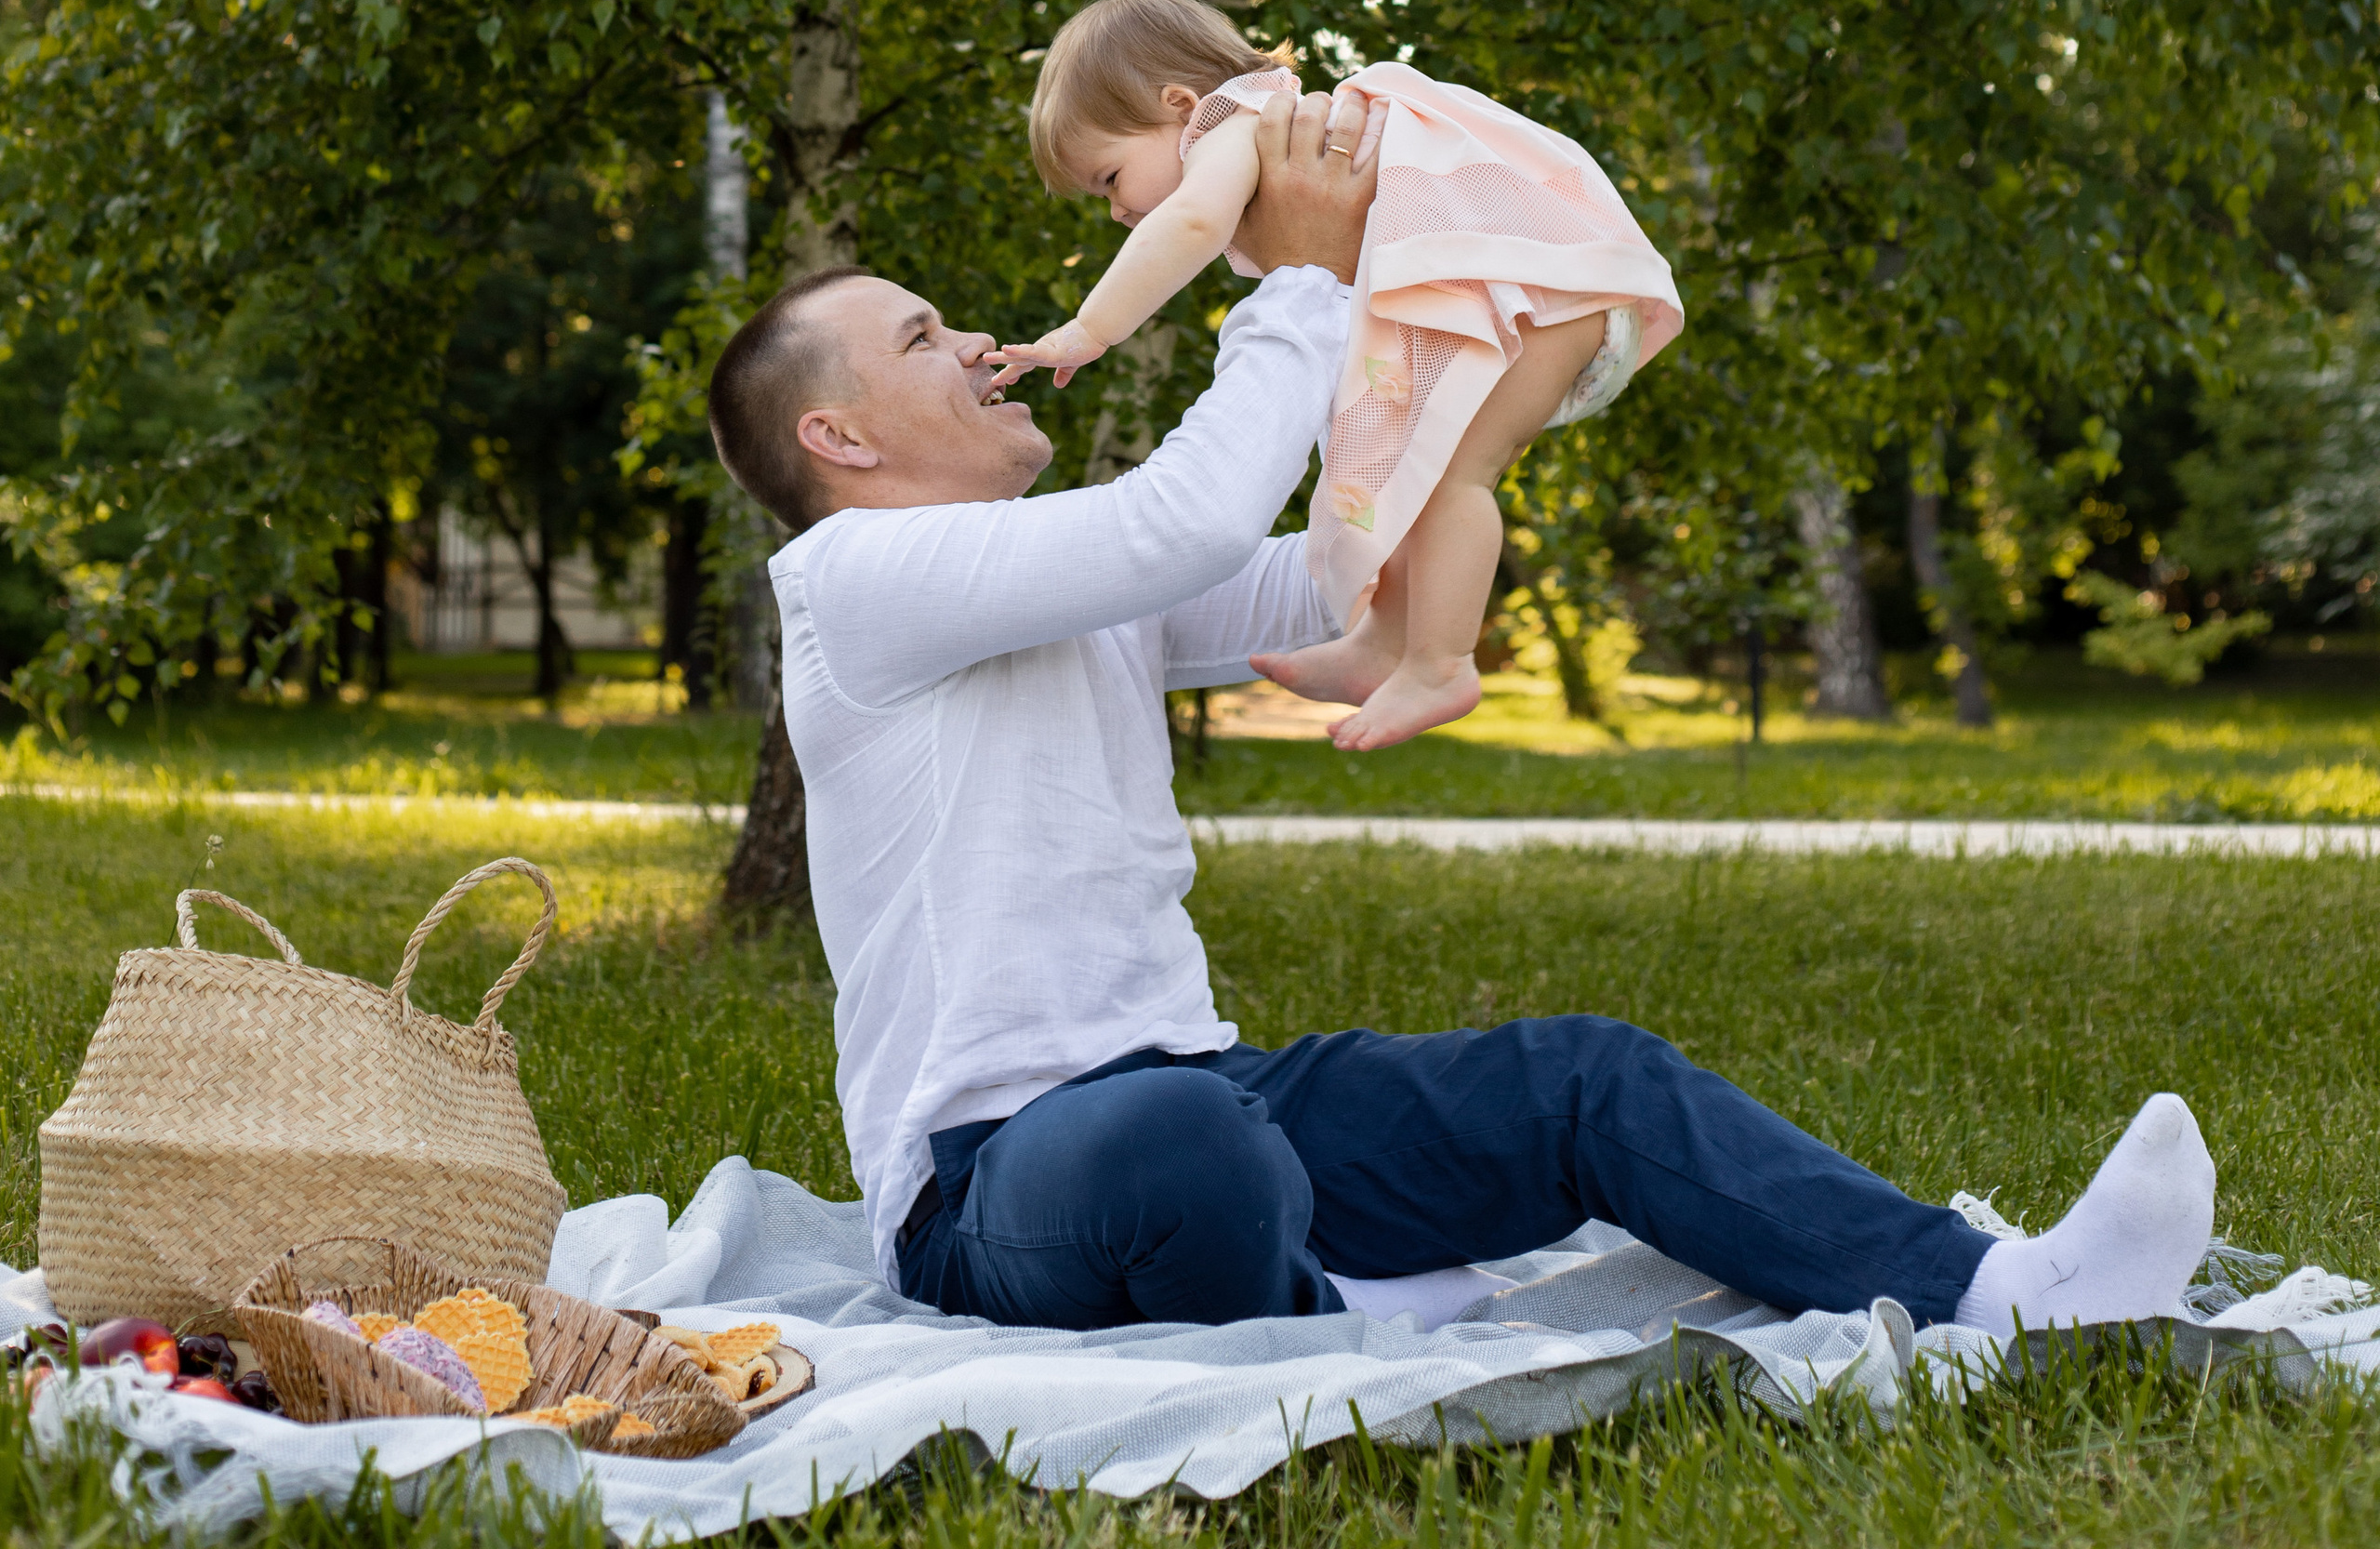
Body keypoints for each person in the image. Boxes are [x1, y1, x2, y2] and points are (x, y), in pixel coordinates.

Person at [707, 86, 2216, 1340]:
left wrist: (1451, 381)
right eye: (920, 339)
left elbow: (1320, 584)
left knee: (1585, 1080)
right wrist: (1290, 278)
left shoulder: (1048, 576)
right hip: (994, 1193)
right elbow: (1185, 525)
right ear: (835, 437)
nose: (975, 341)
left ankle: (2010, 1295)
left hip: (1211, 1101)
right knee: (1185, 1149)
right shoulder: (857, 579)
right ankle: (1340, 1318)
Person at [992, 0, 1683, 749]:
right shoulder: (1278, 128)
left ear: (1178, 105)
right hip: (1540, 298)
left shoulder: (1235, 121)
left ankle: (1441, 662)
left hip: (1549, 300)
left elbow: (1187, 224)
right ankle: (1383, 643)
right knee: (1413, 472)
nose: (1119, 214)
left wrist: (1089, 329)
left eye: (1109, 179)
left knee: (1456, 477)